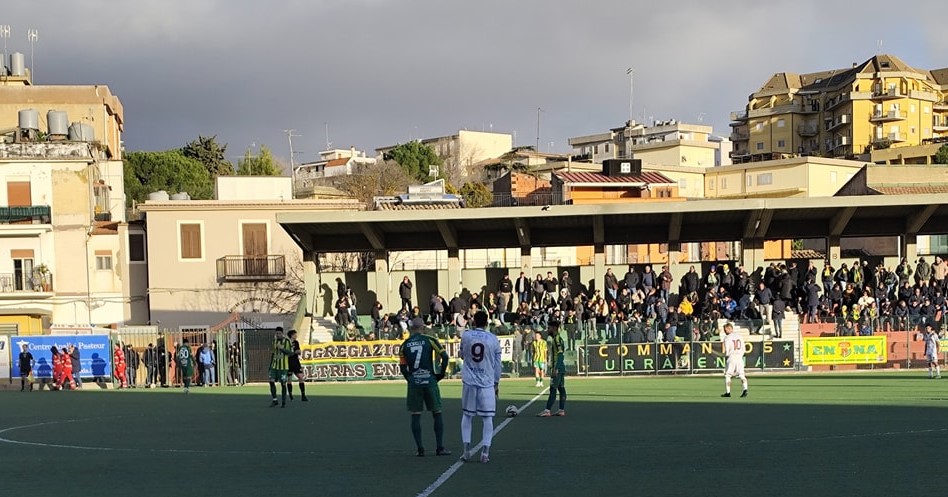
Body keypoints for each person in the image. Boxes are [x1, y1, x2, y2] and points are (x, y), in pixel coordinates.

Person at [398, 317, 450, 457]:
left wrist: (410, 378)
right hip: (430, 380)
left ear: (411, 329)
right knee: (437, 412)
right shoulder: (430, 340)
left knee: (415, 414)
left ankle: (420, 449)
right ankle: (440, 447)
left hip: (415, 383)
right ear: (422, 327)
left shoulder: (405, 344)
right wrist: (441, 374)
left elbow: (403, 367)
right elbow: (445, 356)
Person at [458, 311, 502, 463]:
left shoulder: (466, 335)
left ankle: (466, 451)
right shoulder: (493, 339)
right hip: (486, 382)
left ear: (474, 321)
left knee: (467, 415)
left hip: (470, 381)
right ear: (487, 322)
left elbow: (462, 354)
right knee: (487, 417)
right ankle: (485, 453)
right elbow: (497, 364)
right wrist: (496, 382)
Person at [537, 321, 567, 417]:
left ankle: (547, 410)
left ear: (554, 328)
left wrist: (556, 368)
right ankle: (561, 410)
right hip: (561, 368)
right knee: (561, 388)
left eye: (549, 328)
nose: (548, 330)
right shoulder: (558, 339)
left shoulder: (557, 339)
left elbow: (560, 354)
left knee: (553, 388)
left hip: (557, 368)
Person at [268, 327, 294, 407]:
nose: (278, 335)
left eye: (279, 333)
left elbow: (291, 353)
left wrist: (282, 349)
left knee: (283, 384)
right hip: (274, 366)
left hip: (283, 367)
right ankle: (275, 399)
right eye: (277, 333)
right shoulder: (274, 341)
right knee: (271, 381)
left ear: (282, 333)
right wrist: (270, 365)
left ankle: (283, 401)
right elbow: (273, 353)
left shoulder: (287, 341)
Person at [721, 323, 748, 398]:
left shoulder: (727, 337)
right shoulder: (739, 336)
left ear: (730, 329)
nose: (725, 332)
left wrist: (726, 355)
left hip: (732, 356)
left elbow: (726, 350)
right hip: (739, 357)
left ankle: (728, 392)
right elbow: (743, 348)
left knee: (727, 375)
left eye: (725, 330)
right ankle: (745, 389)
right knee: (742, 375)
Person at [286, 329, 308, 402]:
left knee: (301, 377)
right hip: (288, 362)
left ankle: (303, 395)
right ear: (292, 335)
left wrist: (294, 352)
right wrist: (292, 352)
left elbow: (298, 351)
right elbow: (287, 353)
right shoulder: (286, 342)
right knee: (289, 379)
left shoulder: (296, 342)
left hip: (296, 362)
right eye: (295, 334)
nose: (296, 336)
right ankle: (290, 394)